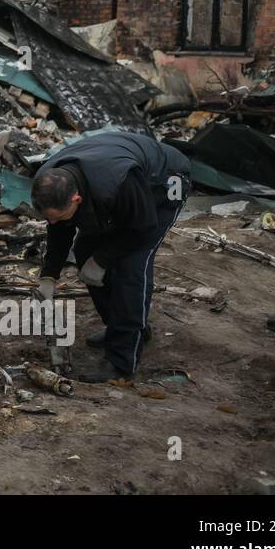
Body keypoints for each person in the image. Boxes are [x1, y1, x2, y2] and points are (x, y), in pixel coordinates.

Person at [32, 130, 191, 383]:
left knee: (132, 267)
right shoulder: (50, 180)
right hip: (120, 190)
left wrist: (102, 260)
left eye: (59, 215)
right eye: (48, 216)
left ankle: (121, 361)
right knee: (85, 253)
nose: (53, 221)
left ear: (77, 199)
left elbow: (143, 228)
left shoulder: (116, 183)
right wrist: (49, 275)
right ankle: (122, 327)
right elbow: (59, 230)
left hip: (162, 183)